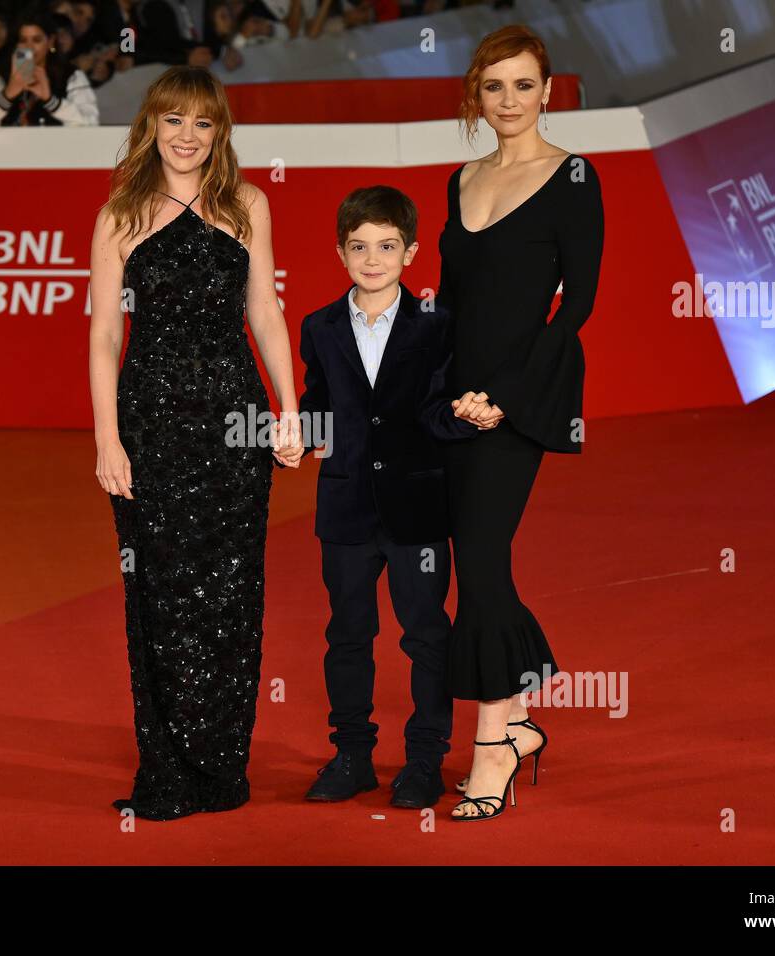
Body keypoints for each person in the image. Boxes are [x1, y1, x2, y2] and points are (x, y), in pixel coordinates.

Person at [88, 65, 302, 820]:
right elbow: (106, 333)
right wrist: (107, 439)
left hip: (233, 425)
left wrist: (288, 407)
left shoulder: (248, 206)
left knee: (231, 595)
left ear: (221, 133)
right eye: (172, 120)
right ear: (150, 126)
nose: (186, 137)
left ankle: (222, 767)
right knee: (160, 597)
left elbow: (266, 314)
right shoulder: (119, 214)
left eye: (202, 123)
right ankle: (170, 770)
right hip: (150, 427)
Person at [438, 24, 604, 820]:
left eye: (523, 86)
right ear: (477, 93)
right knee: (476, 563)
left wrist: (502, 393)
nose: (508, 100)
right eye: (493, 86)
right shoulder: (460, 178)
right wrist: (443, 394)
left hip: (524, 395)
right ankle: (521, 718)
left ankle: (491, 750)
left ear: (547, 91)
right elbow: (454, 305)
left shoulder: (572, 177)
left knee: (480, 555)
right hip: (456, 400)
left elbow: (576, 304)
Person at [292, 186, 483, 810]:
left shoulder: (437, 325)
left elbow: (436, 409)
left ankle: (425, 758)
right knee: (347, 632)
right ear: (340, 252)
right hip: (345, 508)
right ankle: (351, 755)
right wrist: (295, 433)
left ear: (411, 252)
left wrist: (471, 417)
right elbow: (319, 401)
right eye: (358, 247)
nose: (372, 259)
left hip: (417, 509)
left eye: (386, 246)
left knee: (426, 633)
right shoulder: (318, 326)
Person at [0, 4, 96, 131]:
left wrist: (51, 101)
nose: (29, 47)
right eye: (23, 40)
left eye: (36, 40)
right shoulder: (0, 77)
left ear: (50, 41)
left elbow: (91, 124)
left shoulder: (71, 76)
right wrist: (7, 94)